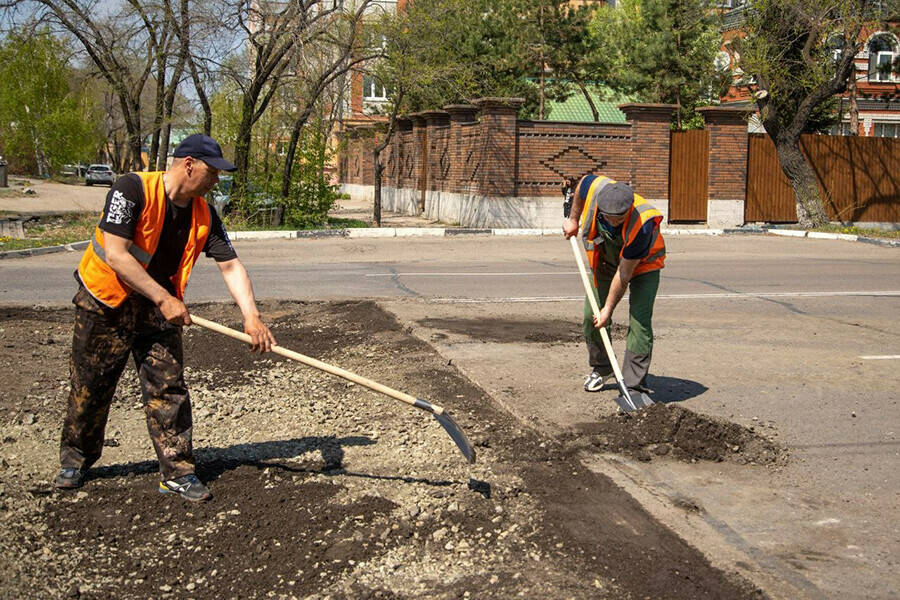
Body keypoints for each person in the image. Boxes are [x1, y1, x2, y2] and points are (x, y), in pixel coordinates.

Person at [55, 133, 277, 502]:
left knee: (168, 388)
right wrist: (164, 298)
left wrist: (251, 317)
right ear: (189, 165)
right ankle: (75, 460)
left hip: (158, 312)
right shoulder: (131, 189)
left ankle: (178, 471)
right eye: (212, 172)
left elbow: (231, 266)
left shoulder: (204, 212)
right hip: (105, 302)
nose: (216, 181)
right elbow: (116, 254)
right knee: (90, 386)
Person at [562, 175, 665, 398]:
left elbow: (625, 272)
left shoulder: (642, 224)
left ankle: (633, 384)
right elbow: (580, 187)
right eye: (609, 218)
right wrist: (573, 218)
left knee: (639, 321)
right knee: (592, 314)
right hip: (606, 259)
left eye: (619, 218)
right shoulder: (595, 188)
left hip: (643, 265)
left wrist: (608, 309)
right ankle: (603, 367)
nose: (614, 222)